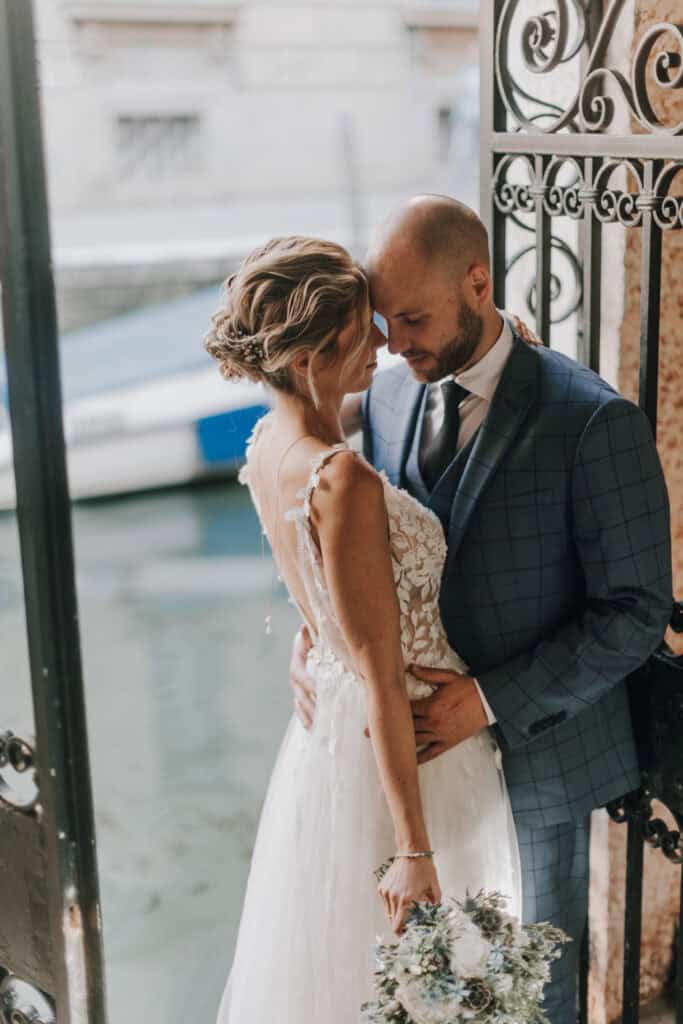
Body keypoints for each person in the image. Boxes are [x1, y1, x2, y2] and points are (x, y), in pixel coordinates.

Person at [289, 195, 674, 1024]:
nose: (395, 344)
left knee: (531, 995)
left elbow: (636, 611)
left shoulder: (593, 421)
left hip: (538, 759)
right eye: (384, 322)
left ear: (477, 284)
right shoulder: (389, 398)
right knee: (433, 991)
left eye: (413, 320)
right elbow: (368, 552)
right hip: (420, 771)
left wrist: (487, 700)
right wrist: (317, 630)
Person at [206, 234, 523, 1023]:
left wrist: (313, 637)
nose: (382, 342)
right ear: (307, 357)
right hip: (407, 747)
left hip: (330, 732)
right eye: (361, 332)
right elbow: (380, 675)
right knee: (418, 978)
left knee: (347, 968)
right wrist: (413, 849)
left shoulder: (269, 441)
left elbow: (320, 591)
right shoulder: (338, 474)